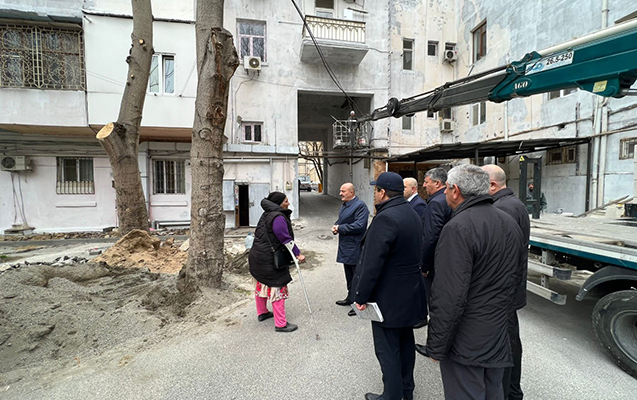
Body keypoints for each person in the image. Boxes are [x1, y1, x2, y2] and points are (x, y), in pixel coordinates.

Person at [425, 164, 526, 400]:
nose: (445, 192)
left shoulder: (457, 227)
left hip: (467, 338)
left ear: (455, 191)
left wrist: (437, 345)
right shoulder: (509, 222)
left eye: (447, 188)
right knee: (493, 392)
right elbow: (518, 276)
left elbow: (449, 294)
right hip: (498, 331)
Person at [351, 172, 427, 400]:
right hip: (410, 293)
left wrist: (360, 296)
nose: (374, 194)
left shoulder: (386, 218)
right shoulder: (411, 212)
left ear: (382, 192)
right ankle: (406, 391)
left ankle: (392, 395)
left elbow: (372, 264)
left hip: (389, 298)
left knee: (387, 350)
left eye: (376, 190)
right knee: (405, 344)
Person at [482, 165, 530, 400]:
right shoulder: (510, 204)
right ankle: (510, 391)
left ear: (492, 185)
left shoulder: (503, 209)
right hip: (509, 291)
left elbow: (502, 258)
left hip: (504, 293)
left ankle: (509, 392)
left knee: (506, 345)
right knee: (510, 341)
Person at [248, 191, 305, 333]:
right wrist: (298, 254)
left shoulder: (266, 214)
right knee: (278, 286)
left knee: (262, 283)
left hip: (257, 256)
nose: (288, 203)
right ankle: (280, 324)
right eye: (286, 201)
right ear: (279, 203)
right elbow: (285, 239)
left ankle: (262, 312)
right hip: (270, 259)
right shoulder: (278, 217)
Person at [413, 167, 452, 336]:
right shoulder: (446, 199)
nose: (424, 185)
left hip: (436, 262)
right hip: (446, 258)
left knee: (435, 303)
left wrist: (424, 265)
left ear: (437, 183)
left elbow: (431, 236)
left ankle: (435, 343)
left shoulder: (436, 203)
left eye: (426, 182)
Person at [332, 183, 369, 317]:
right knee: (348, 274)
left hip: (355, 245)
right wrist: (336, 226)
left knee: (356, 275)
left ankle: (357, 302)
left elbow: (359, 225)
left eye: (343, 191)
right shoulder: (345, 205)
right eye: (340, 191)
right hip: (346, 245)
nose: (340, 193)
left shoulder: (360, 206)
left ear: (352, 192)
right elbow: (342, 220)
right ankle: (350, 297)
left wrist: (340, 228)